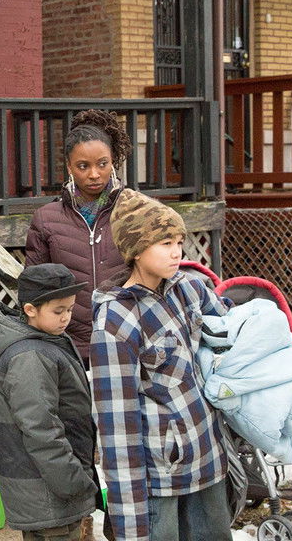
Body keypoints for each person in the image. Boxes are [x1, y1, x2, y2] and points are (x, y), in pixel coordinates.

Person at [92, 189, 232, 541]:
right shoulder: (115, 322)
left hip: (208, 456)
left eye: (179, 242)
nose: (176, 252)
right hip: (160, 474)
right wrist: (131, 521)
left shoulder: (189, 289)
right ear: (136, 251)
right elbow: (117, 426)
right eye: (165, 243)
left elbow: (233, 334)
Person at [0, 263, 99, 541]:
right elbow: (40, 428)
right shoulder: (30, 356)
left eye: (70, 309)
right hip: (49, 491)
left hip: (52, 486)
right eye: (58, 311)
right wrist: (74, 482)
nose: (66, 318)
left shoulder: (47, 340)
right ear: (30, 309)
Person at [25, 109, 131, 362]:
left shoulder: (134, 211)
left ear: (113, 162)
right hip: (69, 349)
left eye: (102, 164)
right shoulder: (46, 219)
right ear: (69, 167)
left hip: (127, 340)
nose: (94, 174)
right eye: (83, 166)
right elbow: (34, 286)